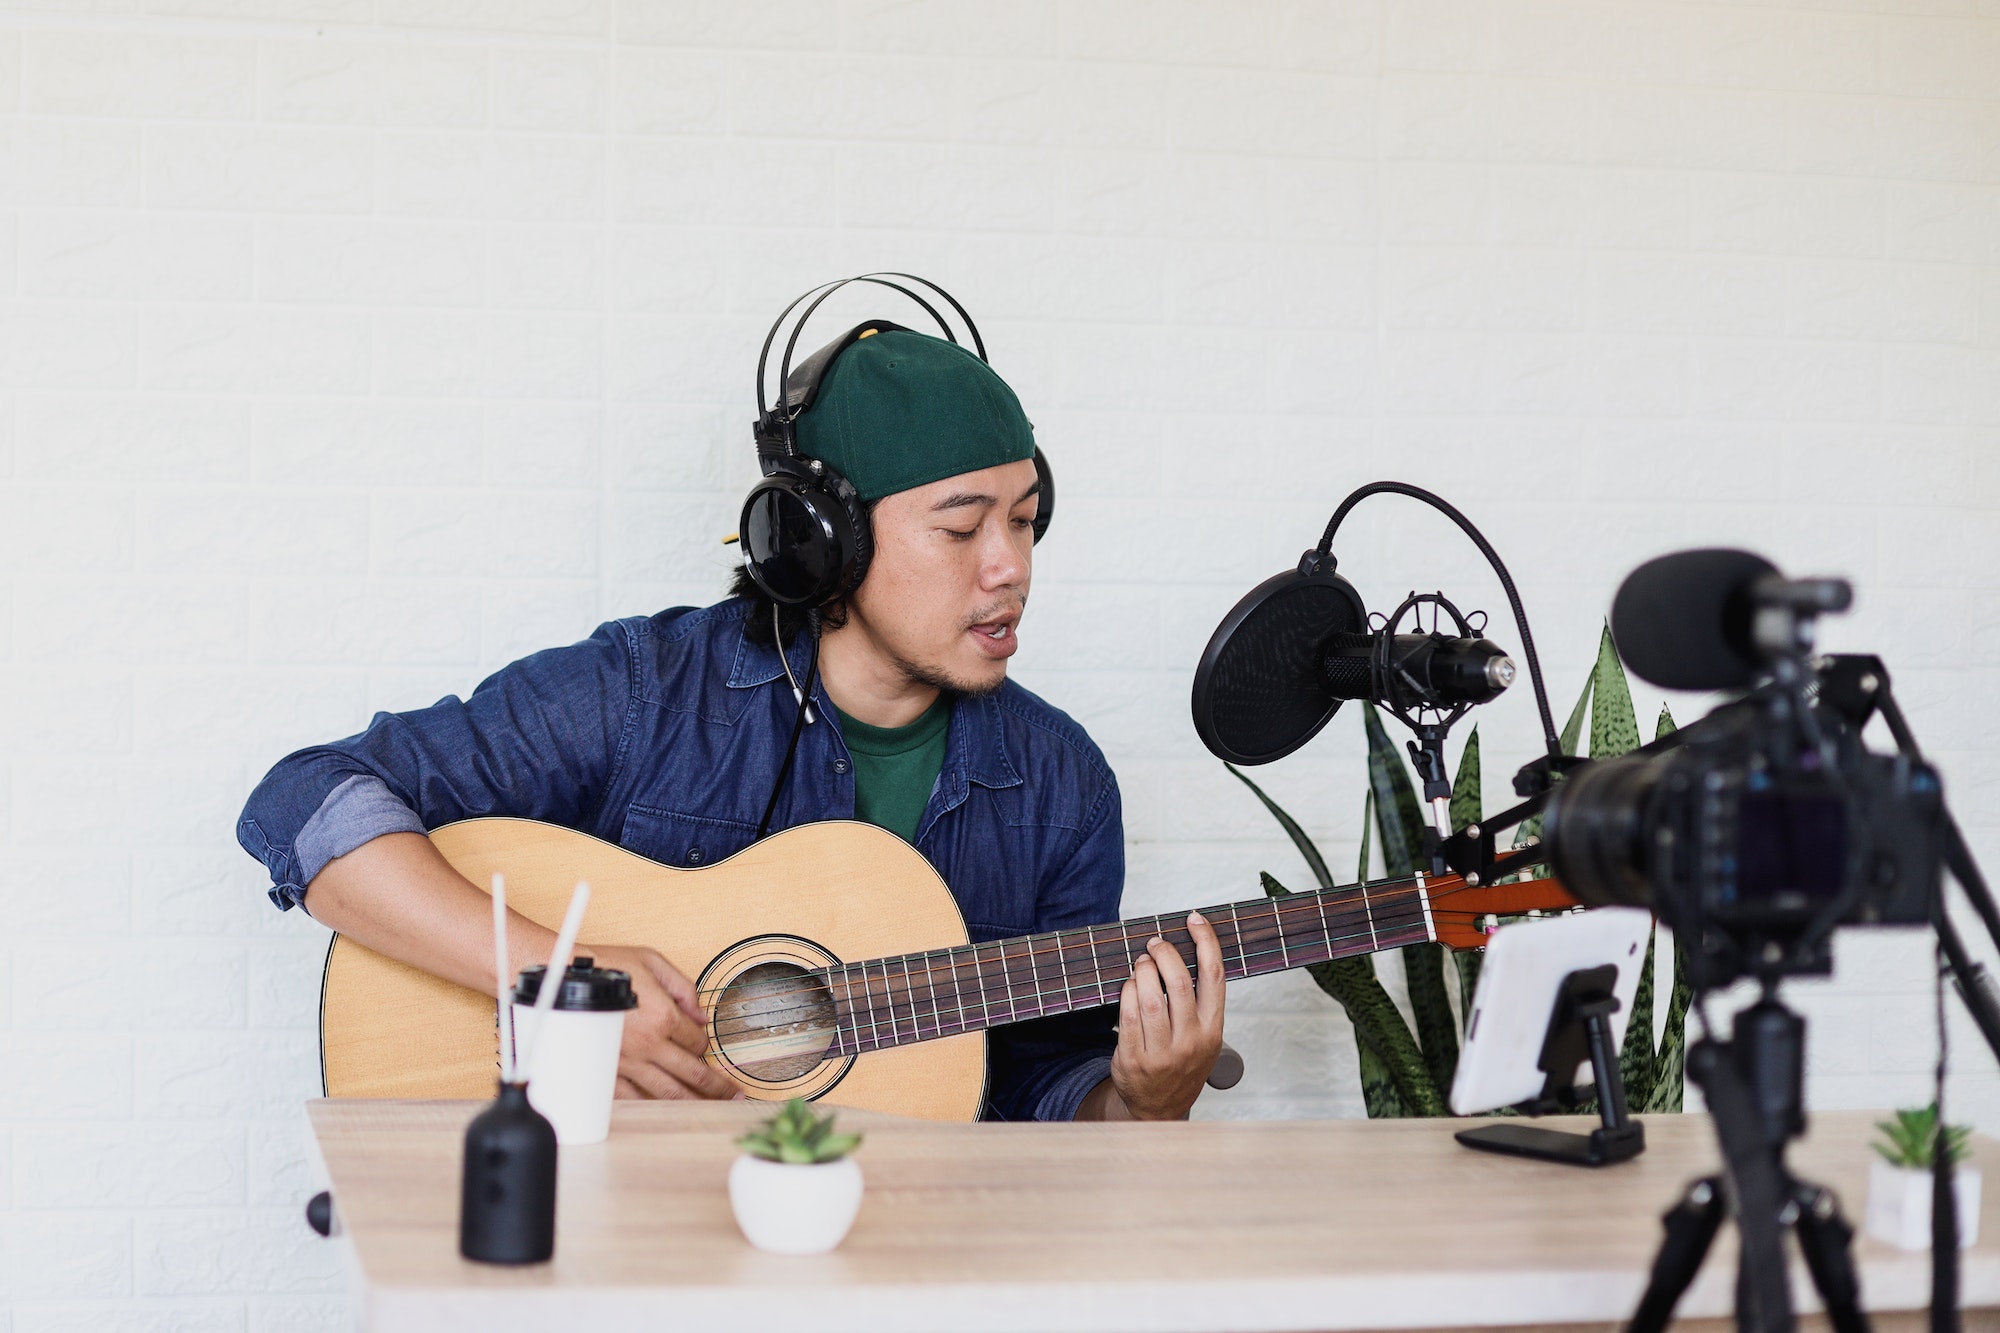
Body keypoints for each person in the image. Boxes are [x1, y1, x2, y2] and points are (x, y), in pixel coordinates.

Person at [236, 285, 1225, 1122]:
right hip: (610, 1225)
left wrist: (1140, 1100)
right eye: (960, 527)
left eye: (1024, 520)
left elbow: (1021, 1088)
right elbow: (307, 798)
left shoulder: (1061, 784)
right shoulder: (649, 690)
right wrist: (556, 976)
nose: (1009, 567)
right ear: (818, 541)